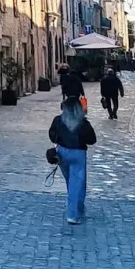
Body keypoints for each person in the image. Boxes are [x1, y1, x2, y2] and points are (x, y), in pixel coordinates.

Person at [48, 96, 97, 225]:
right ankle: (73, 214)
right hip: (78, 154)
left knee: (71, 182)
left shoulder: (58, 120)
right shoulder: (83, 123)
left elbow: (52, 136)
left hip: (62, 153)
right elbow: (92, 140)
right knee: (77, 183)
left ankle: (78, 208)